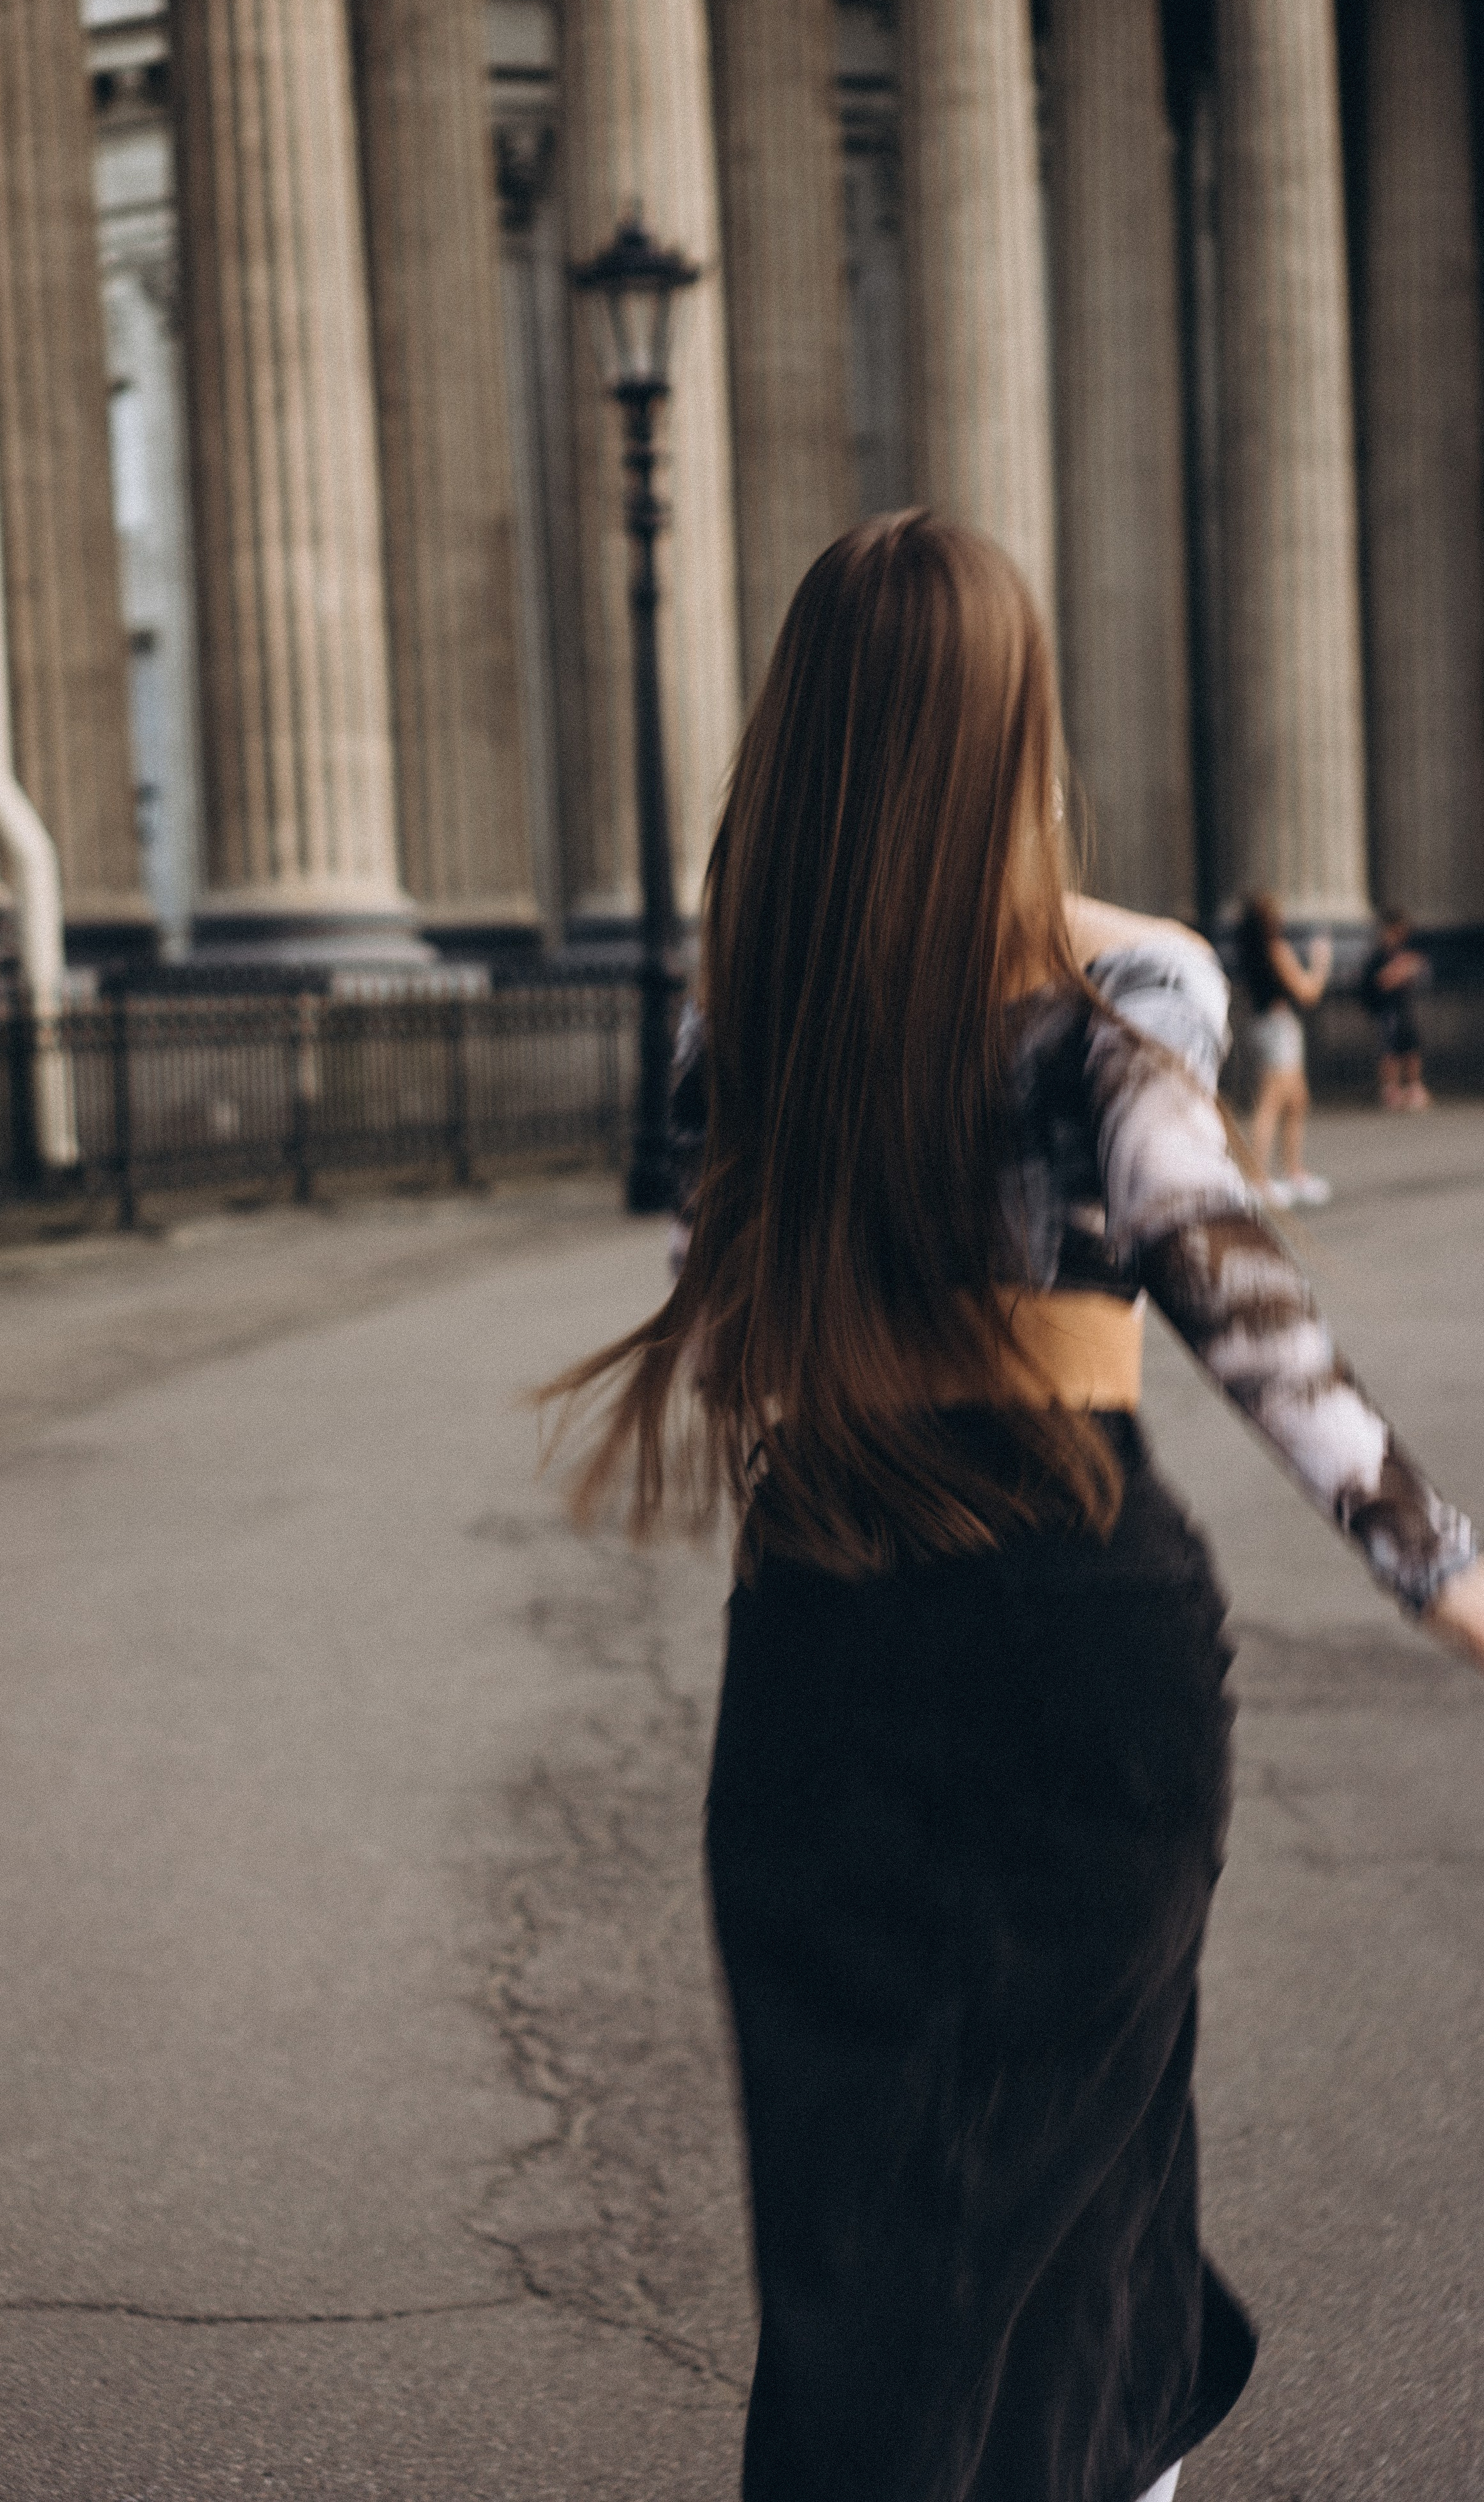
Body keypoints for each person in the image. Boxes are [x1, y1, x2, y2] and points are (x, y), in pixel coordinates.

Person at [541, 514, 1483, 2502]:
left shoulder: (735, 1025)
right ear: (1015, 725)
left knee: (879, 2197)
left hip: (822, 1620)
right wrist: (1439, 1567)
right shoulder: (1129, 981)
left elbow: (734, 1327)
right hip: (1074, 1621)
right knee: (1068, 2152)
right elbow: (1234, 1293)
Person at [1239, 891, 1332, 1207]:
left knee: (1297, 1100)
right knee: (1272, 1102)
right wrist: (1321, 962)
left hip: (1267, 1025)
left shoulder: (1253, 951)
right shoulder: (1276, 949)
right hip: (1280, 1029)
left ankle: (1294, 1173)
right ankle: (1257, 1181)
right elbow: (1308, 993)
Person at [1361, 908, 1432, 1110]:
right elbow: (1382, 981)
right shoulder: (1379, 956)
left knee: (1411, 1046)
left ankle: (1413, 1087)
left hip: (1404, 1007)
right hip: (1387, 1009)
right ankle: (1391, 1089)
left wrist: (1407, 970)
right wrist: (1400, 972)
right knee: (1389, 1049)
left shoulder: (1405, 951)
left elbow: (1419, 970)